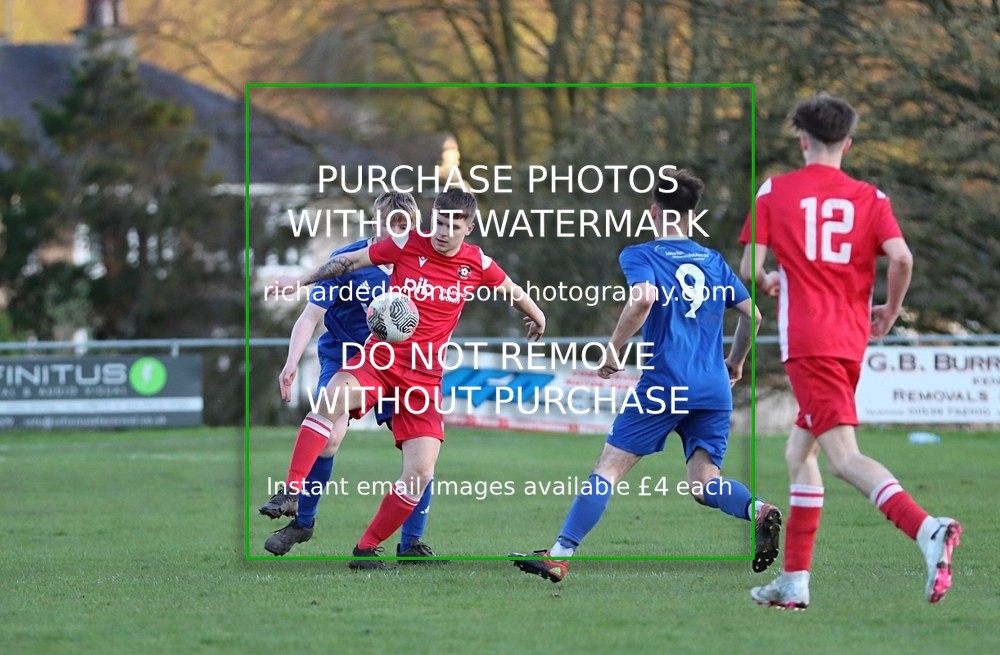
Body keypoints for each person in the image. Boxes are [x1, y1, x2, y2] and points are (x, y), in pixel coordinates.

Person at [739, 94, 961, 609]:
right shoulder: (871, 197)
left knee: (842, 457)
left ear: (802, 140)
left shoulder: (776, 191)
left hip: (809, 342)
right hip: (848, 340)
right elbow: (901, 257)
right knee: (800, 452)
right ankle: (793, 581)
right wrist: (889, 309)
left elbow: (750, 267)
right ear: (848, 142)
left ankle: (928, 528)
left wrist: (771, 277)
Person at [510, 169, 781, 583]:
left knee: (608, 468)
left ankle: (560, 553)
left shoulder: (641, 254)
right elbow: (754, 315)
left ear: (653, 211)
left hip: (665, 383)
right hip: (712, 387)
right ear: (693, 214)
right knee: (705, 482)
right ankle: (757, 509)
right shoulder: (714, 261)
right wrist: (737, 361)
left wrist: (613, 348)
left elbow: (643, 299)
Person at [261, 188, 546, 569]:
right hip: (379, 359)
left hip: (423, 379)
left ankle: (368, 549)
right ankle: (292, 492)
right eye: (439, 222)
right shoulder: (407, 245)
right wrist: (298, 282)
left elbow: (510, 290)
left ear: (469, 227)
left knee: (422, 469)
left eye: (453, 225)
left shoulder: (476, 262)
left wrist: (537, 315)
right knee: (330, 402)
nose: (443, 231)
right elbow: (346, 262)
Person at [260, 191, 441, 562]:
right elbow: (310, 315)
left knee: (421, 456)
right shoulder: (351, 260)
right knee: (329, 438)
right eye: (387, 224)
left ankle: (411, 543)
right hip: (347, 357)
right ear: (374, 223)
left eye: (403, 225)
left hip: (402, 363)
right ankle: (302, 521)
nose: (396, 232)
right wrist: (292, 361)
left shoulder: (422, 262)